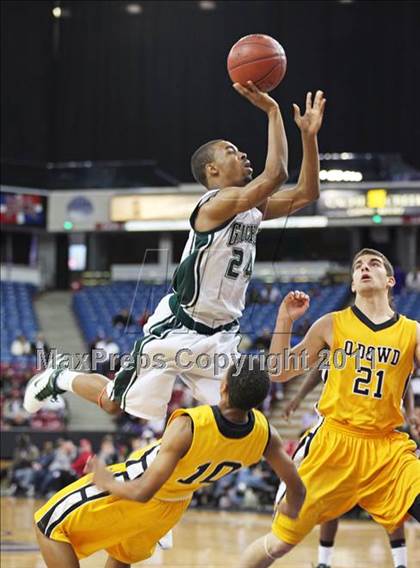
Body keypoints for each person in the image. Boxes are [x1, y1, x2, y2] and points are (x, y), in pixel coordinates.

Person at [24, 84, 326, 425]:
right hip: (177, 330)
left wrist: (309, 137)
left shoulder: (252, 208)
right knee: (112, 404)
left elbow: (307, 193)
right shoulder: (214, 204)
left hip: (222, 336)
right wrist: (272, 112)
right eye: (231, 151)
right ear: (212, 171)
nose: (242, 155)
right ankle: (58, 377)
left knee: (239, 416)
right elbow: (278, 175)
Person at [240, 248, 420, 567]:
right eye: (358, 266)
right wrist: (284, 320)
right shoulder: (331, 324)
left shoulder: (412, 331)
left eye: (374, 264)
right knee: (280, 542)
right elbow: (280, 371)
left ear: (390, 280)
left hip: (387, 449)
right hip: (333, 445)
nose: (365, 268)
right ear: (352, 283)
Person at [33, 360, 306, 568]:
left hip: (135, 487)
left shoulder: (191, 424)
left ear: (223, 387)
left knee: (48, 525)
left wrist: (107, 481)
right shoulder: (266, 434)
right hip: (172, 509)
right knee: (121, 555)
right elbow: (298, 489)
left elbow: (143, 492)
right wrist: (290, 507)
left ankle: (57, 378)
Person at [282, 368, 417, 568]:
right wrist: (299, 397)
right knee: (331, 502)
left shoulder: (392, 343)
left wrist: (411, 411)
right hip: (338, 435)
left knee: (393, 503)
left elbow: (403, 374)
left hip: (376, 433)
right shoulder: (339, 339)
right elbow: (320, 367)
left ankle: (401, 564)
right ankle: (323, 562)